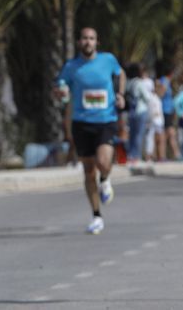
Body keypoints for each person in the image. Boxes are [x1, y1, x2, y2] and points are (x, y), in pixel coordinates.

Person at [57, 27, 125, 235]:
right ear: (79, 42)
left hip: (105, 120)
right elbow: (61, 85)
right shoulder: (71, 67)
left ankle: (105, 179)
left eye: (92, 38)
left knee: (103, 162)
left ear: (97, 42)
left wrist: (120, 94)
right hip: (81, 122)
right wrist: (61, 91)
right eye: (85, 38)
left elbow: (120, 73)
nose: (88, 42)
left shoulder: (108, 60)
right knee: (88, 170)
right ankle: (96, 215)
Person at [123, 63, 154, 163]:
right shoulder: (140, 83)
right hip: (141, 111)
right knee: (139, 135)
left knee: (132, 134)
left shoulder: (128, 83)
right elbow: (147, 97)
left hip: (131, 112)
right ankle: (137, 156)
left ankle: (131, 155)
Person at [155, 62, 180, 160]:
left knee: (170, 133)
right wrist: (159, 88)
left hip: (168, 110)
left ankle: (173, 154)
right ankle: (165, 155)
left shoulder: (166, 81)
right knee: (168, 133)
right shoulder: (164, 81)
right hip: (165, 110)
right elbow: (160, 94)